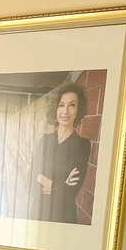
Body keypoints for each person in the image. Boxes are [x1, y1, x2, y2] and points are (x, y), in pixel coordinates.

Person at [30, 81, 91, 224]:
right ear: (55, 109)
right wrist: (59, 186)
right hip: (38, 213)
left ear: (78, 110)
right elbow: (31, 177)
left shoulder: (82, 145)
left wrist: (43, 180)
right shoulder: (44, 140)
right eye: (61, 105)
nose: (65, 111)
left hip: (64, 218)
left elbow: (70, 193)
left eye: (72, 105)